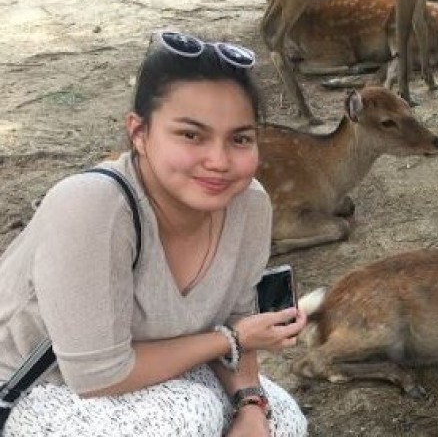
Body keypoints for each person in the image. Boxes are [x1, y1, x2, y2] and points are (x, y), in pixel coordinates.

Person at [0, 30, 308, 436]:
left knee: (281, 421)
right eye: (191, 135)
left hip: (159, 368)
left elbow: (237, 322)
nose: (219, 161)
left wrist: (250, 404)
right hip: (32, 386)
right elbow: (99, 374)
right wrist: (231, 339)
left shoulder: (249, 204)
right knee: (185, 418)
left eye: (240, 139)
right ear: (139, 134)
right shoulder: (94, 204)